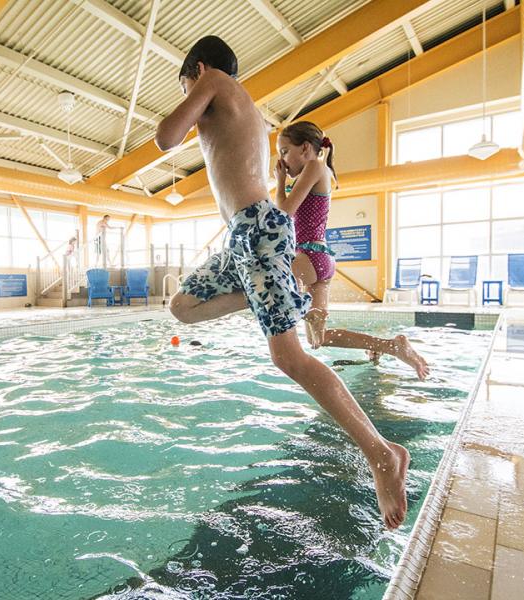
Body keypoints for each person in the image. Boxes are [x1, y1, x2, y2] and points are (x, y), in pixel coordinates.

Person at [158, 36, 409, 530]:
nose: (190, 90)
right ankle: (269, 299)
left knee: (289, 357)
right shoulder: (240, 104)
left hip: (257, 229)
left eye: (186, 82)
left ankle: (382, 455)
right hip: (243, 236)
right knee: (182, 307)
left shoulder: (214, 81)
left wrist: (192, 92)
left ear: (199, 68)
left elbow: (167, 137)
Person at [274, 121, 430, 380]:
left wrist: (279, 182)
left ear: (304, 149)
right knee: (319, 339)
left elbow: (283, 212)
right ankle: (390, 345)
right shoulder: (315, 172)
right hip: (318, 259)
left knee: (266, 284)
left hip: (308, 257)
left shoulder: (315, 166)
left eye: (284, 151)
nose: (282, 160)